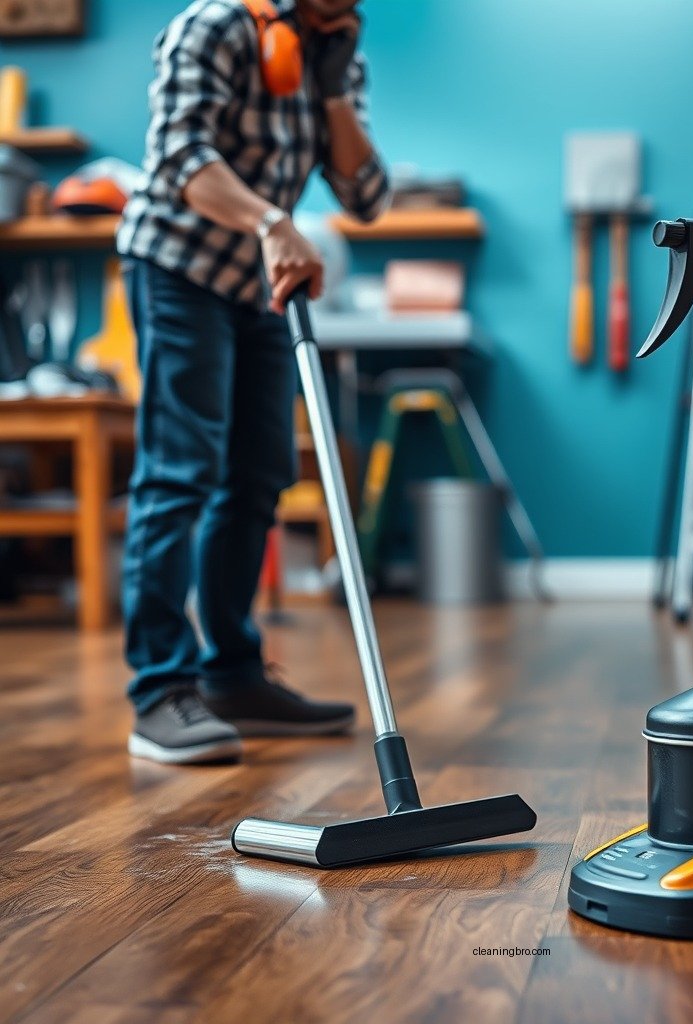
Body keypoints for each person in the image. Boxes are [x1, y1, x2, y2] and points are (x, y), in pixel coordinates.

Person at [116, 0, 390, 765]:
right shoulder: (218, 25)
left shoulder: (332, 49)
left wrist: (332, 87)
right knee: (181, 469)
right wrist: (273, 221)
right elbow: (180, 161)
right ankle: (159, 691)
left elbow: (366, 197)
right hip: (178, 267)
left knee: (260, 471)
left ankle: (233, 676)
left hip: (258, 286)